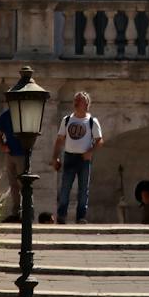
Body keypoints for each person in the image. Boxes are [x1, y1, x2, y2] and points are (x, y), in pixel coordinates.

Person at [49, 91, 102, 225]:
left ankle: (81, 216)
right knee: (65, 187)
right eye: (75, 100)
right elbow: (60, 139)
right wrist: (55, 157)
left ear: (86, 103)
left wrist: (90, 151)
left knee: (83, 189)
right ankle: (62, 215)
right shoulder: (67, 120)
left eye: (79, 100)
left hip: (84, 159)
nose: (76, 102)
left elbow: (99, 140)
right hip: (69, 156)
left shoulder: (91, 121)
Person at [0, 105, 28, 224]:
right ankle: (16, 212)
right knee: (13, 184)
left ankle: (27, 211)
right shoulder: (5, 116)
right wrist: (2, 145)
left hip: (22, 154)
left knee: (24, 184)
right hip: (10, 154)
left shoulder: (25, 114)